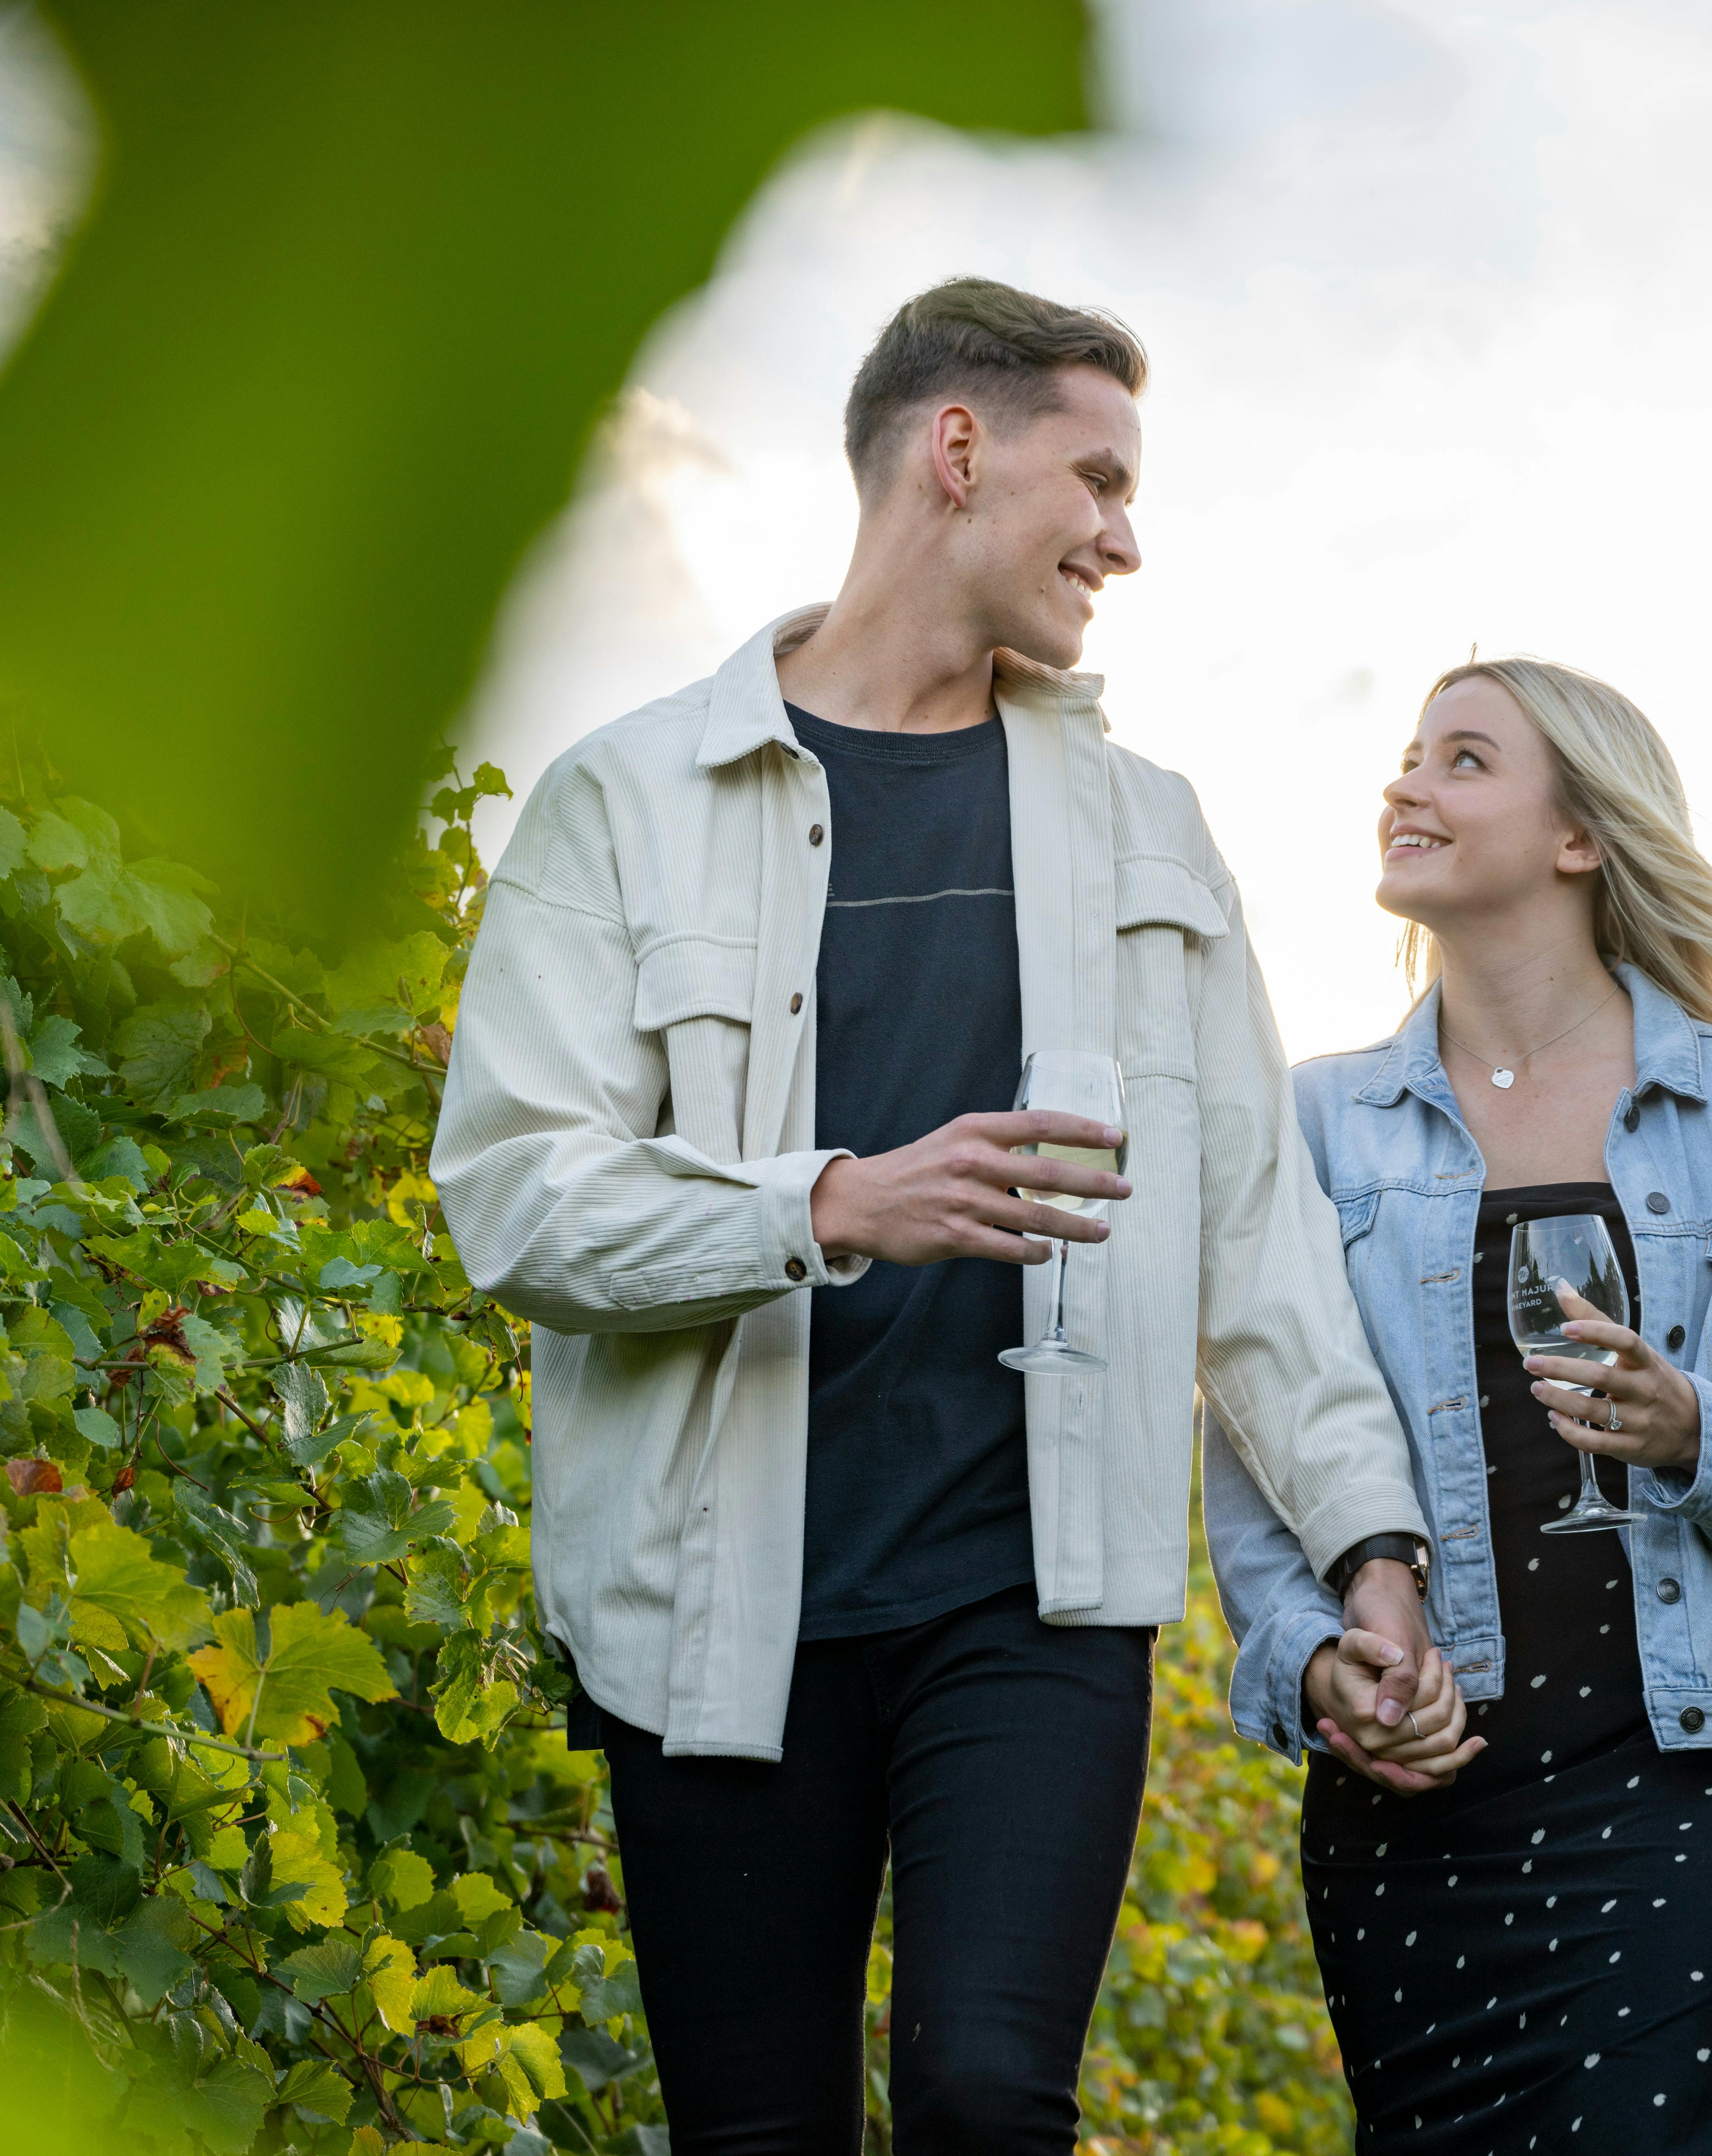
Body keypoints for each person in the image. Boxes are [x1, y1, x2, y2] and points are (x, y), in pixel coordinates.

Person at [431, 279, 1444, 2154]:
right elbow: (517, 1197)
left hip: (1032, 1591)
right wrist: (828, 1201)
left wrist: (1371, 1541)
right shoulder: (621, 804)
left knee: (987, 2099)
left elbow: (1254, 1245)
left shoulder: (1152, 832)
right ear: (956, 454)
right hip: (710, 1614)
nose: (1128, 540)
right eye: (1100, 478)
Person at [1202, 655, 1712, 2154]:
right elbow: (1259, 1455)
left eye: (1464, 759)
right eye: (1409, 757)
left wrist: (1700, 1434)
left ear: (1581, 837)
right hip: (1417, 1800)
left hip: (1683, 1773)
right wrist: (1307, 1666)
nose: (1406, 784)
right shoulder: (1316, 1122)